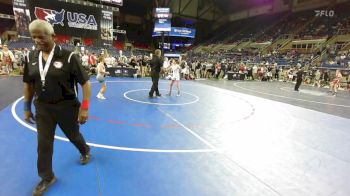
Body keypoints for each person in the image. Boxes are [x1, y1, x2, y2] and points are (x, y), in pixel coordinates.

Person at [23, 19, 91, 196]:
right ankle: (47, 177)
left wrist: (85, 108)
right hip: (43, 108)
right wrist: (26, 107)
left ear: (53, 36)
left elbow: (86, 83)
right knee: (43, 144)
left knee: (73, 135)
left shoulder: (69, 56)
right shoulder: (31, 57)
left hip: (67, 107)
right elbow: (28, 84)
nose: (37, 40)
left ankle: (85, 150)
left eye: (41, 36)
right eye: (34, 37)